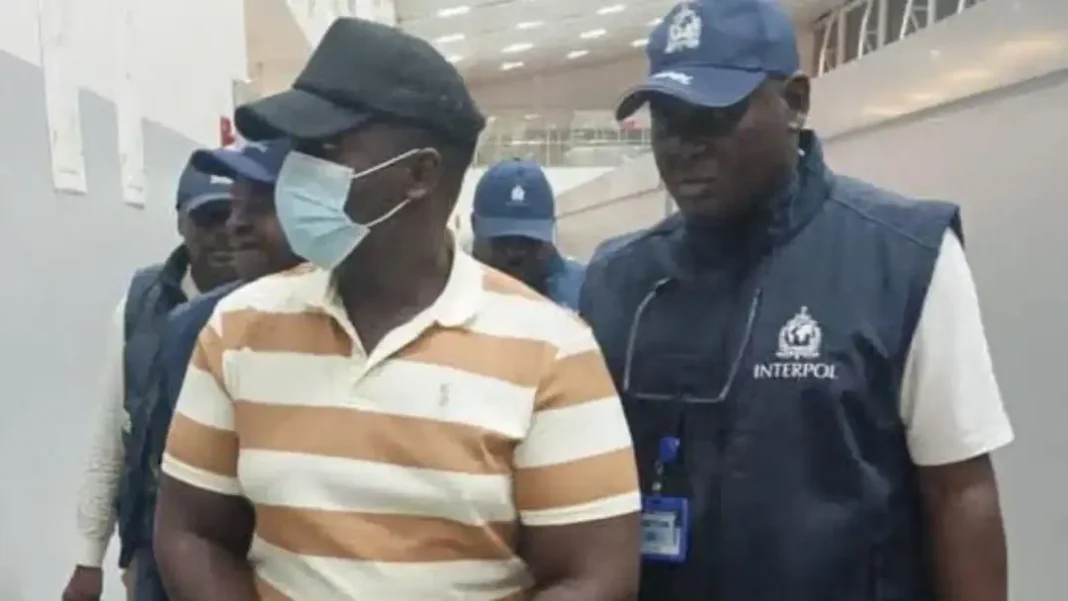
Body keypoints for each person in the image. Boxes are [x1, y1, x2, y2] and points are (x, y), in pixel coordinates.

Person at [153, 17, 641, 601]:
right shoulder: (238, 329)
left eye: (323, 150)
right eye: (296, 151)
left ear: (418, 174)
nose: (294, 172)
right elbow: (191, 531)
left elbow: (595, 575)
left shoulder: (553, 353)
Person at [579, 1, 1013, 601]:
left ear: (795, 102)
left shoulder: (904, 259)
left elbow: (958, 489)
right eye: (667, 119)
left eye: (714, 115)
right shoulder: (618, 281)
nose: (683, 146)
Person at [127, 139, 301, 601]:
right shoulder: (194, 326)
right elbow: (160, 481)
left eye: (258, 206)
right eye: (226, 210)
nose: (234, 225)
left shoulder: (365, 322)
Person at [63, 158, 236, 601]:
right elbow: (112, 438)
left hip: (240, 549)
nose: (226, 232)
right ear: (180, 223)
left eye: (236, 214)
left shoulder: (273, 306)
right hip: (153, 551)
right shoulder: (140, 309)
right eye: (209, 217)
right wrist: (88, 558)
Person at [470, 158, 585, 310]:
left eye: (529, 241)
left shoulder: (584, 295)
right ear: (474, 225)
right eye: (502, 241)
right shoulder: (448, 295)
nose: (514, 252)